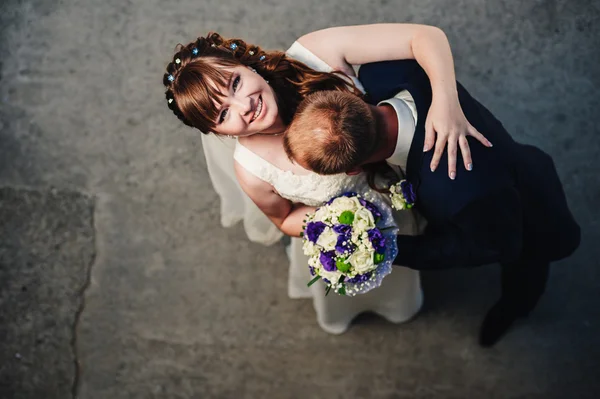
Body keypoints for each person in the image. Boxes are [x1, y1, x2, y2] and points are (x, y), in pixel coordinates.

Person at [162, 25, 491, 334]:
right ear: (216, 132)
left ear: (247, 65)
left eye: (235, 84)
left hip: (414, 175)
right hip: (357, 231)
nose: (244, 106)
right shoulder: (251, 169)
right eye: (223, 115)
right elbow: (284, 217)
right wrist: (339, 224)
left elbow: (426, 36)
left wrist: (446, 104)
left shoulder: (315, 53)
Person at [283, 60, 580, 346]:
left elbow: (493, 246)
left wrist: (379, 247)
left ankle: (513, 309)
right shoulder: (383, 71)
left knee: (524, 268)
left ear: (353, 170)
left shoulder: (458, 191)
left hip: (528, 212)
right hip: (500, 170)